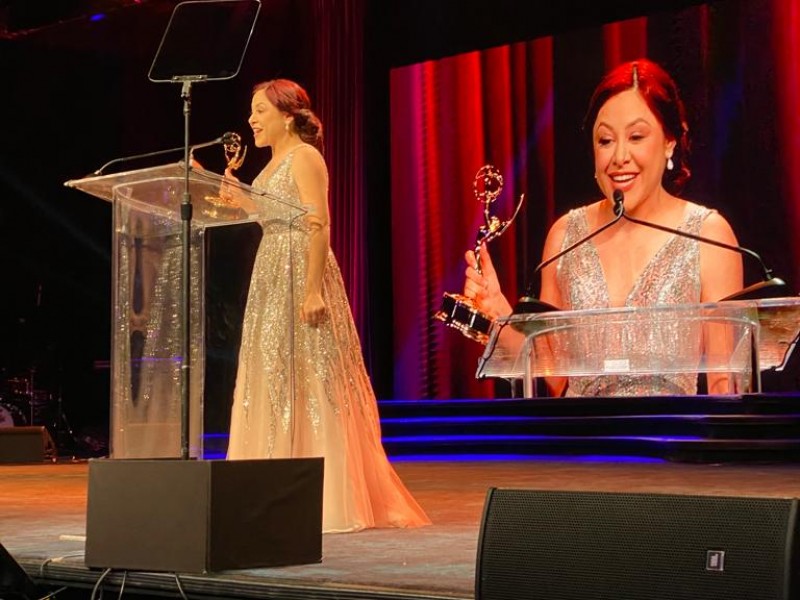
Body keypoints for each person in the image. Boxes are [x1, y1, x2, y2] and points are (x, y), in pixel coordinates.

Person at [463, 58, 744, 397]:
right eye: (605, 141)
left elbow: (723, 385)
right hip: (582, 443)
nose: (619, 156)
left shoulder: (708, 235)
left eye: (637, 136)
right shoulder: (565, 235)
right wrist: (499, 314)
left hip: (667, 443)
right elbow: (555, 378)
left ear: (670, 141)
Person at [225, 78, 430, 533]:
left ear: (286, 115)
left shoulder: (305, 156)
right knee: (274, 371)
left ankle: (325, 494)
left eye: (259, 110)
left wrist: (314, 289)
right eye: (252, 111)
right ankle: (269, 488)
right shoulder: (272, 162)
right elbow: (259, 214)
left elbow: (319, 224)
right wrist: (229, 186)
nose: (252, 120)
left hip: (301, 266)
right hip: (271, 271)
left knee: (312, 372)